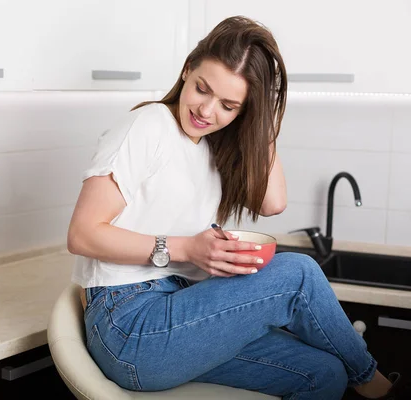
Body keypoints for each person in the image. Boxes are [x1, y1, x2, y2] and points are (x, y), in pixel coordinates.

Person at [66, 15, 409, 400]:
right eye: (202, 89)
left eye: (229, 105)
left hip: (180, 310)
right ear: (186, 70)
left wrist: (260, 120)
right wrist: (187, 248)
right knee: (297, 273)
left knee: (323, 374)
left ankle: (358, 378)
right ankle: (376, 385)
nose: (207, 111)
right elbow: (82, 234)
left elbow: (273, 202)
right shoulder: (147, 126)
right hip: (131, 327)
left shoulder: (211, 146)